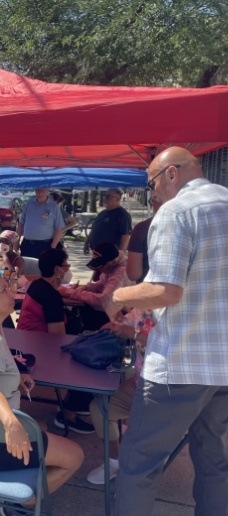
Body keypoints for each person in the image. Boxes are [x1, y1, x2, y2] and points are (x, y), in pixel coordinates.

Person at [111, 147, 228, 516]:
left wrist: (118, 296)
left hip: (179, 365)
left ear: (172, 174)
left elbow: (166, 289)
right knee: (215, 464)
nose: (152, 194)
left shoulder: (176, 213)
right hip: (223, 368)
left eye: (152, 183)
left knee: (138, 464)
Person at [0, 273, 83, 513]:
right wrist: (12, 425)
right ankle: (22, 504)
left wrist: (16, 378)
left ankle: (15, 482)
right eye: (3, 290)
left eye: (9, 286)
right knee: (75, 456)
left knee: (40, 426)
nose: (12, 292)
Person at [17, 249, 95, 434]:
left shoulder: (39, 285)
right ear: (57, 269)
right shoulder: (50, 296)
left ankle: (78, 402)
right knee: (85, 362)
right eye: (66, 265)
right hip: (40, 348)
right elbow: (57, 336)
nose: (68, 269)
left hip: (30, 343)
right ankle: (67, 414)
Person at [86, 308, 156, 485]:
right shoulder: (143, 309)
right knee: (99, 409)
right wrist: (112, 326)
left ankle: (138, 482)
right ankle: (114, 462)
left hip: (170, 390)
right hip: (140, 383)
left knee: (142, 432)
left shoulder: (182, 308)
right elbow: (119, 325)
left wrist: (132, 334)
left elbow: (173, 346)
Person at [60, 242, 131, 330]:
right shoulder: (113, 263)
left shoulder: (121, 272)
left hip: (123, 315)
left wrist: (71, 293)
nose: (100, 269)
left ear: (113, 262)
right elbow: (102, 284)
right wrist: (86, 288)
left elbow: (103, 302)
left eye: (102, 266)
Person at [16, 188, 65, 258]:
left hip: (45, 245)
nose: (40, 193)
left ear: (48, 190)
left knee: (43, 268)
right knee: (26, 267)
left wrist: (52, 248)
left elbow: (59, 229)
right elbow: (21, 224)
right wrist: (16, 242)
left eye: (43, 190)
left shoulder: (54, 207)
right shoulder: (29, 204)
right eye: (38, 190)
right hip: (27, 244)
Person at [126, 193, 162, 283]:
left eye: (152, 200)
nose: (152, 203)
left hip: (149, 290)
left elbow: (133, 274)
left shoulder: (141, 229)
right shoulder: (190, 225)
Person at [83, 188, 132, 256]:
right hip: (96, 252)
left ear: (117, 199)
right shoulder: (103, 213)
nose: (105, 198)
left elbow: (125, 235)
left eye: (108, 196)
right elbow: (94, 228)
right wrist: (87, 243)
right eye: (105, 196)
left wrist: (120, 254)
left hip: (110, 254)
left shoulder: (122, 214)